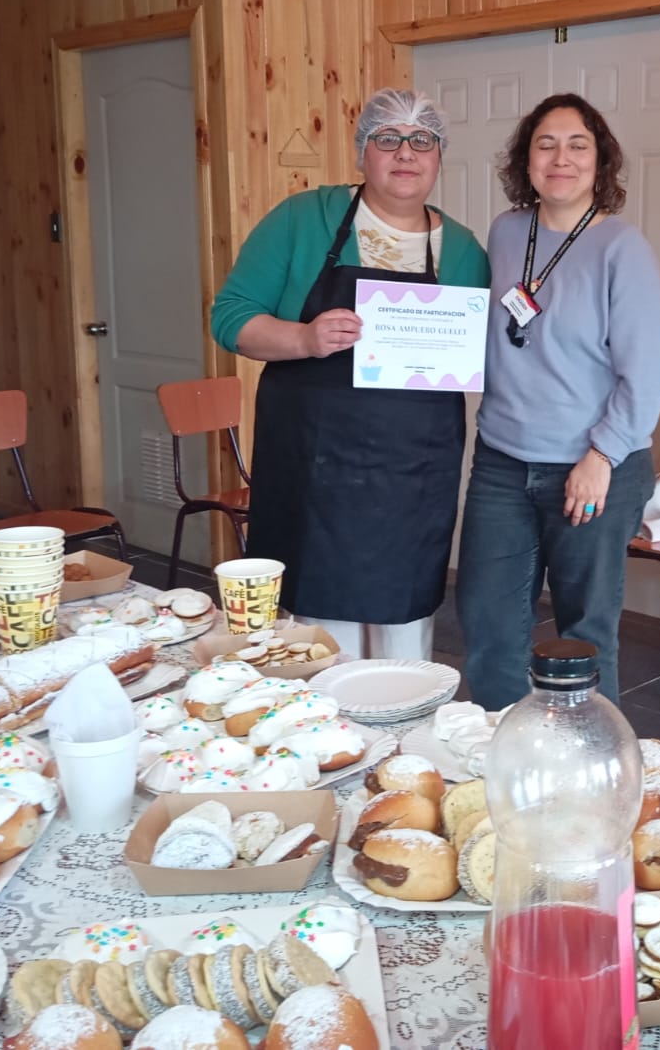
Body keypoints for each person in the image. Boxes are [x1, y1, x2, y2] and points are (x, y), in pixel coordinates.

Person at [210, 89, 490, 659]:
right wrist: (303, 337)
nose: (405, 153)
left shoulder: (462, 249)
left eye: (422, 141)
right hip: (316, 464)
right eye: (388, 139)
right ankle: (326, 735)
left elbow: (479, 347)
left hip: (412, 469)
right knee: (321, 632)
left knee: (404, 623)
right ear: (363, 151)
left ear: (439, 156)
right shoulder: (302, 219)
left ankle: (400, 731)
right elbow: (230, 317)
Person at [456, 93, 660, 706]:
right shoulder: (505, 232)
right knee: (489, 624)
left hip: (594, 468)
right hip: (501, 459)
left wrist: (600, 457)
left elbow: (648, 373)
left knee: (584, 633)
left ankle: (586, 765)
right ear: (525, 162)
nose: (561, 158)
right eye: (545, 144)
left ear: (599, 160)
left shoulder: (621, 249)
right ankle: (497, 756)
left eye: (578, 145)